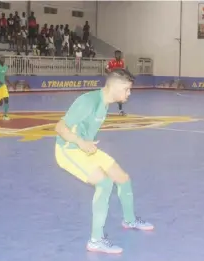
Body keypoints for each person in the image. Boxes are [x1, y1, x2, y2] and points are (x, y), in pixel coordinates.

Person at [54, 69, 153, 254]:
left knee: (122, 178)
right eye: (127, 89)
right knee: (104, 183)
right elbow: (59, 127)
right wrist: (81, 142)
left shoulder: (105, 102)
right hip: (68, 149)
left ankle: (129, 220)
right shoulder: (88, 101)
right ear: (114, 87)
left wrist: (85, 144)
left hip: (86, 147)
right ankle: (96, 240)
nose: (129, 93)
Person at [106, 50, 127, 116]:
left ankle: (120, 111)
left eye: (119, 54)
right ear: (115, 55)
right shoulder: (111, 62)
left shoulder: (122, 62)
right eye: (117, 54)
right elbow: (106, 69)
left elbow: (123, 71)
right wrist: (109, 73)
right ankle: (104, 111)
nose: (118, 55)